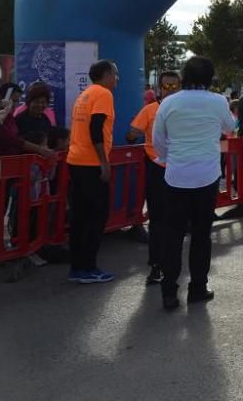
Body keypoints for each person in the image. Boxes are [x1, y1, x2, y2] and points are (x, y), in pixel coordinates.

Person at [152, 57, 236, 310]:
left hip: (176, 176)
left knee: (173, 234)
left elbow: (157, 139)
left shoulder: (169, 102)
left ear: (184, 76)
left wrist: (168, 158)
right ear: (209, 78)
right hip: (206, 176)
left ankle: (168, 290)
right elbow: (231, 127)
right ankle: (197, 287)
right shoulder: (218, 101)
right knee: (201, 234)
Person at [64, 60, 119, 284]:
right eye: (115, 74)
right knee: (95, 217)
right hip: (91, 164)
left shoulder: (85, 94)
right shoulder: (103, 95)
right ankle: (88, 268)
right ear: (106, 74)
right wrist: (104, 163)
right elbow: (95, 129)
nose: (117, 79)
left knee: (79, 217)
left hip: (76, 160)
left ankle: (77, 267)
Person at [127, 70, 181, 284]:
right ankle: (156, 266)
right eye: (166, 86)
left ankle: (171, 267)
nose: (170, 90)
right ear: (159, 88)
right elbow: (131, 135)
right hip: (158, 169)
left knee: (176, 220)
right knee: (159, 220)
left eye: (174, 86)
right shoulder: (150, 110)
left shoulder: (182, 110)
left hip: (180, 170)